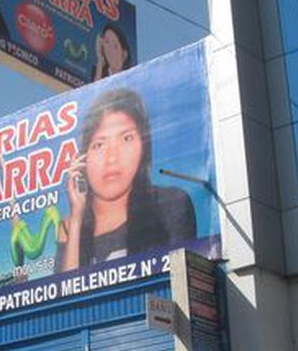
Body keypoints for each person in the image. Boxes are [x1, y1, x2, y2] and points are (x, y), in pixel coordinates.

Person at [58, 88, 196, 271]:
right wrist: (77, 216)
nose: (112, 157)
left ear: (143, 147)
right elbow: (67, 287)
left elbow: (183, 278)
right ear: (83, 159)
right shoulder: (69, 227)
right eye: (99, 145)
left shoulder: (170, 204)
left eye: (126, 138)